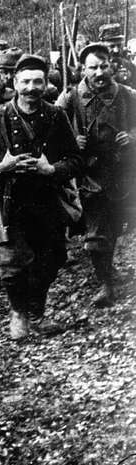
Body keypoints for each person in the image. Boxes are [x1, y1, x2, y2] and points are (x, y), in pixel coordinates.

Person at [0, 54, 83, 340]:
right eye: (26, 81)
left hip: (47, 199)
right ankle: (18, 314)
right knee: (12, 264)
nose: (32, 88)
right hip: (9, 202)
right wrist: (1, 167)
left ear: (45, 84)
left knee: (52, 258)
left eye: (38, 81)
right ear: (15, 83)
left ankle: (37, 314)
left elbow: (76, 159)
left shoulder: (57, 116)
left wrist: (51, 168)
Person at [57, 42, 136, 306]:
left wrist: (134, 136)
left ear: (112, 65)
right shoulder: (70, 98)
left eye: (104, 66)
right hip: (90, 176)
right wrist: (70, 141)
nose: (100, 72)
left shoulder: (127, 95)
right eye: (93, 67)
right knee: (96, 235)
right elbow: (52, 128)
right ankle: (106, 284)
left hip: (124, 173)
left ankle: (110, 271)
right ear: (83, 70)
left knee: (115, 226)